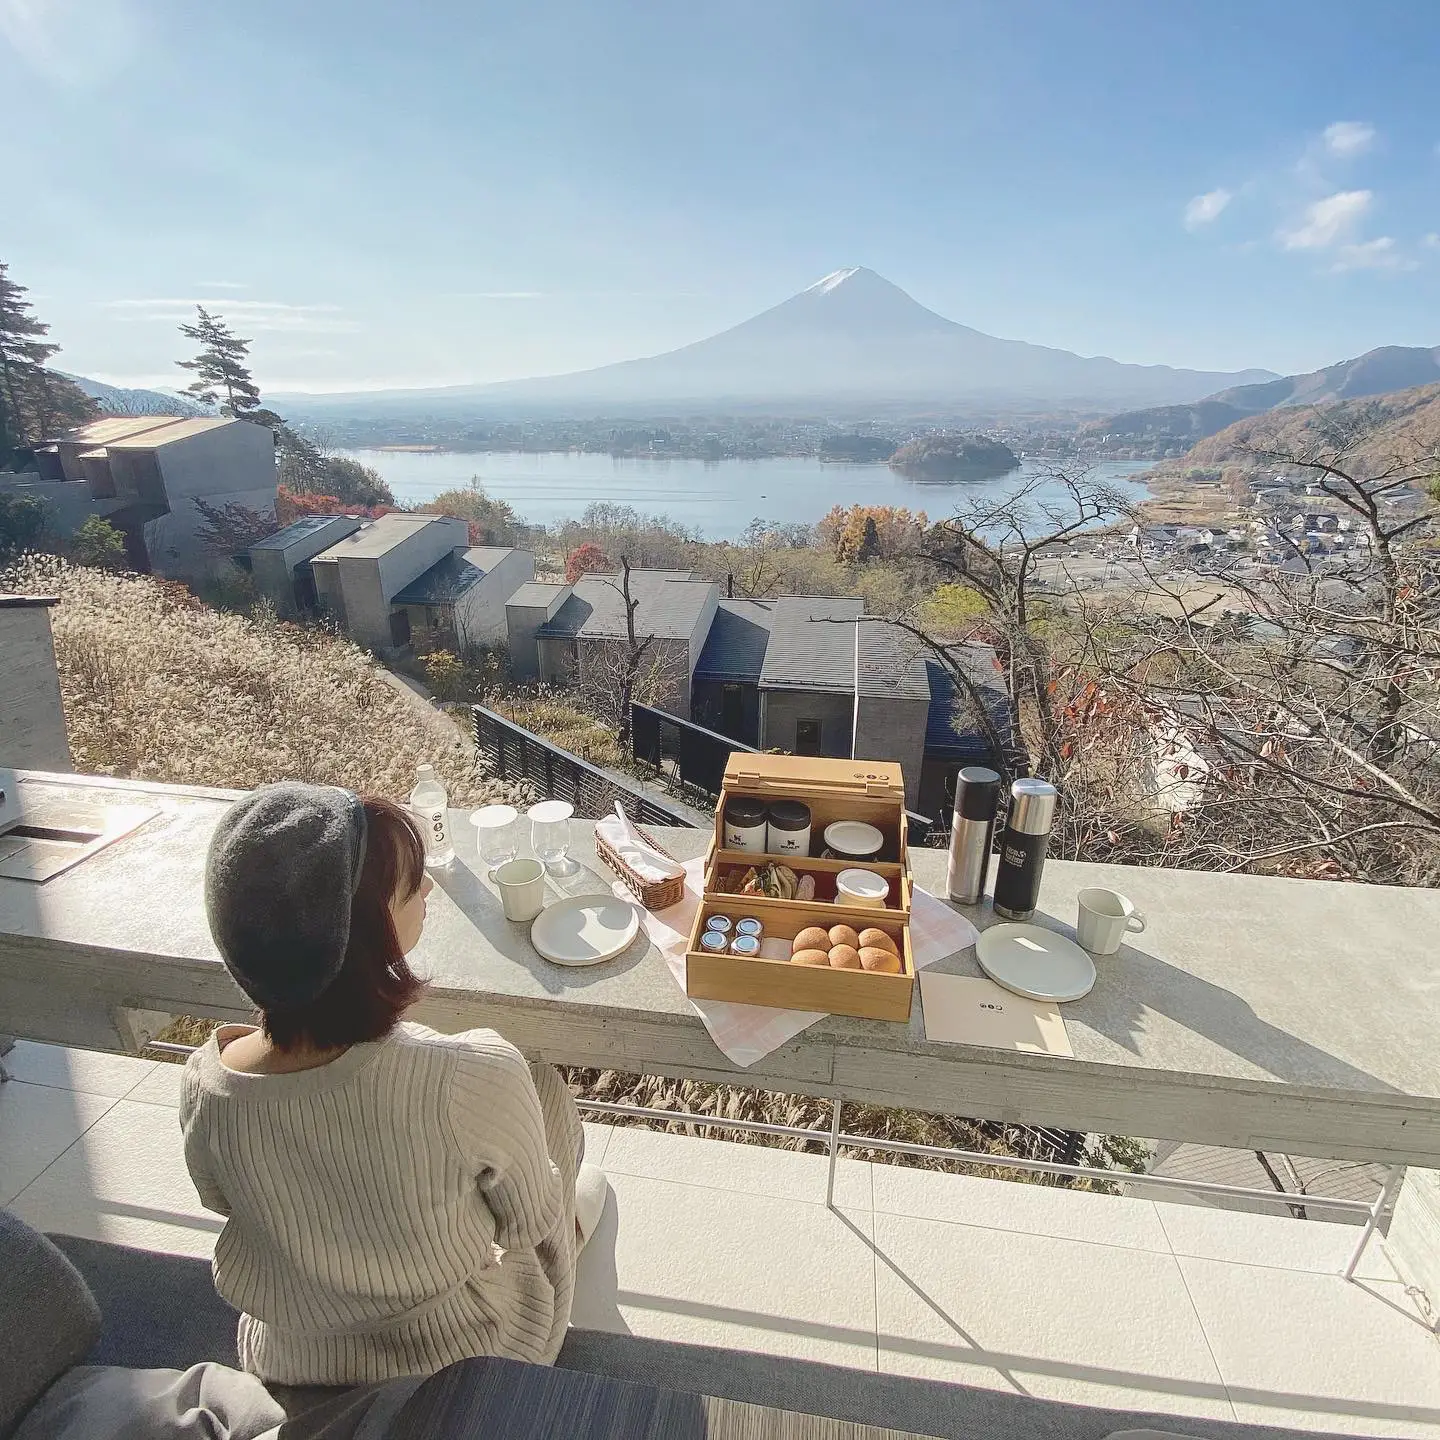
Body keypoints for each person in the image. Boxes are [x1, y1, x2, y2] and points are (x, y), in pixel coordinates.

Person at [178, 782, 608, 1388]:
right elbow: (522, 1224)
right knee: (545, 1099)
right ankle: (579, 1221)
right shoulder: (468, 1074)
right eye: (410, 886)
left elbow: (225, 1200)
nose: (428, 889)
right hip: (459, 1359)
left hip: (292, 1358)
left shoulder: (206, 1084)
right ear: (367, 937)